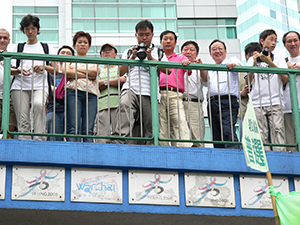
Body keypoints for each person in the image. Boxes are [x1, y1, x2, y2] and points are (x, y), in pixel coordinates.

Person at [111, 20, 169, 145]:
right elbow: (120, 72)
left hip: (150, 91)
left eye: (147, 35)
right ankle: (119, 140)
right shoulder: (129, 52)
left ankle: (152, 146)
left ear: (152, 35)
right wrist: (132, 58)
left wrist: (150, 59)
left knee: (151, 122)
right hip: (130, 88)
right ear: (136, 35)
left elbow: (168, 70)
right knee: (124, 105)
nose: (144, 38)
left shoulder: (159, 52)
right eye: (141, 34)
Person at [11, 14, 55, 141]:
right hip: (19, 85)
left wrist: (43, 67)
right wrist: (19, 70)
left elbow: (56, 70)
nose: (30, 32)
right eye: (27, 29)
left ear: (38, 30)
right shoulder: (17, 47)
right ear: (23, 31)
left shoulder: (46, 48)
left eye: (33, 28)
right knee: (23, 117)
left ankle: (39, 139)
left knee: (38, 105)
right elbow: (10, 70)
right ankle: (24, 141)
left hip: (40, 85)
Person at [245, 29, 288, 151]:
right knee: (260, 133)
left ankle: (280, 158)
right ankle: (266, 163)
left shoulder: (279, 58)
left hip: (275, 100)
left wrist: (269, 62)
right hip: (257, 101)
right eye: (271, 39)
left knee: (278, 130)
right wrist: (254, 63)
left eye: (275, 40)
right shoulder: (252, 59)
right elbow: (248, 80)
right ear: (262, 41)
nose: (273, 43)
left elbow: (285, 78)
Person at [200, 39, 242, 149]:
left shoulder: (231, 60)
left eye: (220, 48)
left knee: (228, 131)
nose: (217, 51)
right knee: (216, 134)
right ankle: (220, 160)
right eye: (214, 49)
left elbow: (238, 65)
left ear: (225, 51)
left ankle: (234, 157)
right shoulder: (211, 69)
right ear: (210, 53)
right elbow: (204, 80)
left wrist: (233, 65)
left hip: (227, 101)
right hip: (212, 103)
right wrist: (200, 66)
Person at [62, 31, 99, 142]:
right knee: (73, 127)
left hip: (91, 95)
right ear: (74, 45)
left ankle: (88, 156)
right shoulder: (69, 60)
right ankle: (72, 154)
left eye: (85, 42)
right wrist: (87, 73)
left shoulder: (95, 60)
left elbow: (95, 72)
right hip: (73, 92)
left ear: (89, 46)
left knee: (88, 129)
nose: (82, 44)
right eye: (79, 42)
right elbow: (66, 72)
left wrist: (76, 71)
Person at [159, 30, 191, 147]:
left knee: (179, 121)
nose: (168, 41)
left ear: (175, 42)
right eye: (165, 39)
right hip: (158, 93)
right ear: (161, 42)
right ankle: (163, 149)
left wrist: (186, 63)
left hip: (175, 93)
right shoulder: (157, 57)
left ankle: (183, 148)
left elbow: (190, 70)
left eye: (171, 39)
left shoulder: (181, 58)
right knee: (161, 124)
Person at [94, 43, 126, 143]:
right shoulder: (98, 70)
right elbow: (95, 84)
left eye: (110, 50)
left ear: (115, 54)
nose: (107, 52)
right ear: (101, 55)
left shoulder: (119, 68)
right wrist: (113, 82)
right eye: (104, 51)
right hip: (102, 106)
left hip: (118, 105)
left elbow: (123, 80)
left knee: (119, 136)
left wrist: (105, 82)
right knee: (101, 137)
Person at [181, 40, 206, 147]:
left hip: (194, 104)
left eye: (192, 50)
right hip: (179, 102)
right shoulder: (177, 66)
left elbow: (205, 80)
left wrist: (201, 67)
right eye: (185, 49)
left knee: (197, 136)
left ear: (196, 54)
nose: (188, 52)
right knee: (180, 135)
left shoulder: (198, 67)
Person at [46, 45, 74, 141]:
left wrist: (58, 89)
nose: (65, 55)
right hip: (54, 109)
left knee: (73, 137)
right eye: (62, 52)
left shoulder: (74, 73)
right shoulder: (52, 73)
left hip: (72, 110)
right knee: (54, 137)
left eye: (68, 53)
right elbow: (49, 89)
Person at [0, 29, 23, 139]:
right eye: (0, 38)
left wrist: (20, 71)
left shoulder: (12, 57)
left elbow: (12, 70)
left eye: (5, 38)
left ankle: (6, 153)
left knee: (10, 127)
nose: (2, 40)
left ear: (9, 40)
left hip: (9, 98)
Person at [282, 31, 300, 152]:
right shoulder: (281, 62)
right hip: (287, 108)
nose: (292, 43)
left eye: (295, 40)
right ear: (284, 45)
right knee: (290, 145)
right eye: (289, 41)